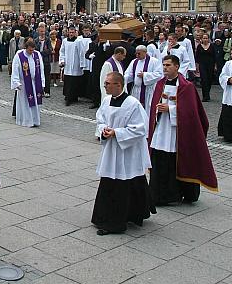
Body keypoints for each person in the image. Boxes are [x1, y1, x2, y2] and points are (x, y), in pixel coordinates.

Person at [147, 55, 218, 206]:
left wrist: (171, 109)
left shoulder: (187, 86)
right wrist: (158, 110)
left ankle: (179, 193)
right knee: (159, 160)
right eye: (163, 65)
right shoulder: (160, 84)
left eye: (168, 65)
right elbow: (154, 104)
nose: (165, 68)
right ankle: (159, 195)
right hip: (161, 129)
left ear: (177, 67)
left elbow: (191, 112)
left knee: (177, 160)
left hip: (178, 132)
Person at [92, 71, 155, 235]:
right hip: (112, 149)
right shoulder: (106, 101)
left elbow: (141, 128)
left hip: (127, 151)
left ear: (118, 85)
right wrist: (103, 130)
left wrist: (117, 133)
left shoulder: (132, 104)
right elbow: (100, 119)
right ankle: (103, 216)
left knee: (124, 182)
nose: (105, 85)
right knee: (109, 180)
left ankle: (117, 221)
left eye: (108, 83)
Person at [11, 39, 44, 128]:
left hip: (34, 82)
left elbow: (41, 68)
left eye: (33, 50)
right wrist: (16, 82)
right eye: (30, 50)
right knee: (25, 103)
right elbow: (15, 69)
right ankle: (25, 120)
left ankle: (34, 120)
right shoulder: (19, 55)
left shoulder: (37, 55)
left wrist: (42, 82)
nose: (31, 52)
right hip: (24, 83)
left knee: (35, 102)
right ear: (26, 48)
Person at [124, 45, 163, 117]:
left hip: (148, 90)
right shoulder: (134, 62)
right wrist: (124, 78)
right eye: (136, 53)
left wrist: (145, 75)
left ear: (145, 52)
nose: (137, 55)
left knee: (147, 110)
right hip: (136, 90)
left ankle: (148, 125)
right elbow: (129, 74)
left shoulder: (154, 61)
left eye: (139, 53)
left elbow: (159, 74)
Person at [59, 26, 83, 106]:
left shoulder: (78, 41)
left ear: (75, 32)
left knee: (75, 81)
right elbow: (62, 51)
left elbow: (81, 53)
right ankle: (68, 97)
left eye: (73, 32)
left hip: (76, 64)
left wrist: (82, 64)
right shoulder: (65, 41)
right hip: (67, 64)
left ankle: (74, 97)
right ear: (68, 32)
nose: (71, 34)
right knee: (68, 81)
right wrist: (62, 60)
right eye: (70, 32)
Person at [195, 33, 219, 101]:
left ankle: (207, 93)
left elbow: (214, 56)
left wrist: (215, 65)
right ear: (201, 39)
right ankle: (205, 96)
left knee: (209, 79)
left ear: (208, 39)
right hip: (202, 65)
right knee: (204, 80)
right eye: (204, 38)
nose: (205, 39)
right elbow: (197, 57)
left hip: (210, 65)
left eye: (206, 38)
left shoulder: (212, 46)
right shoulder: (199, 46)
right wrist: (197, 66)